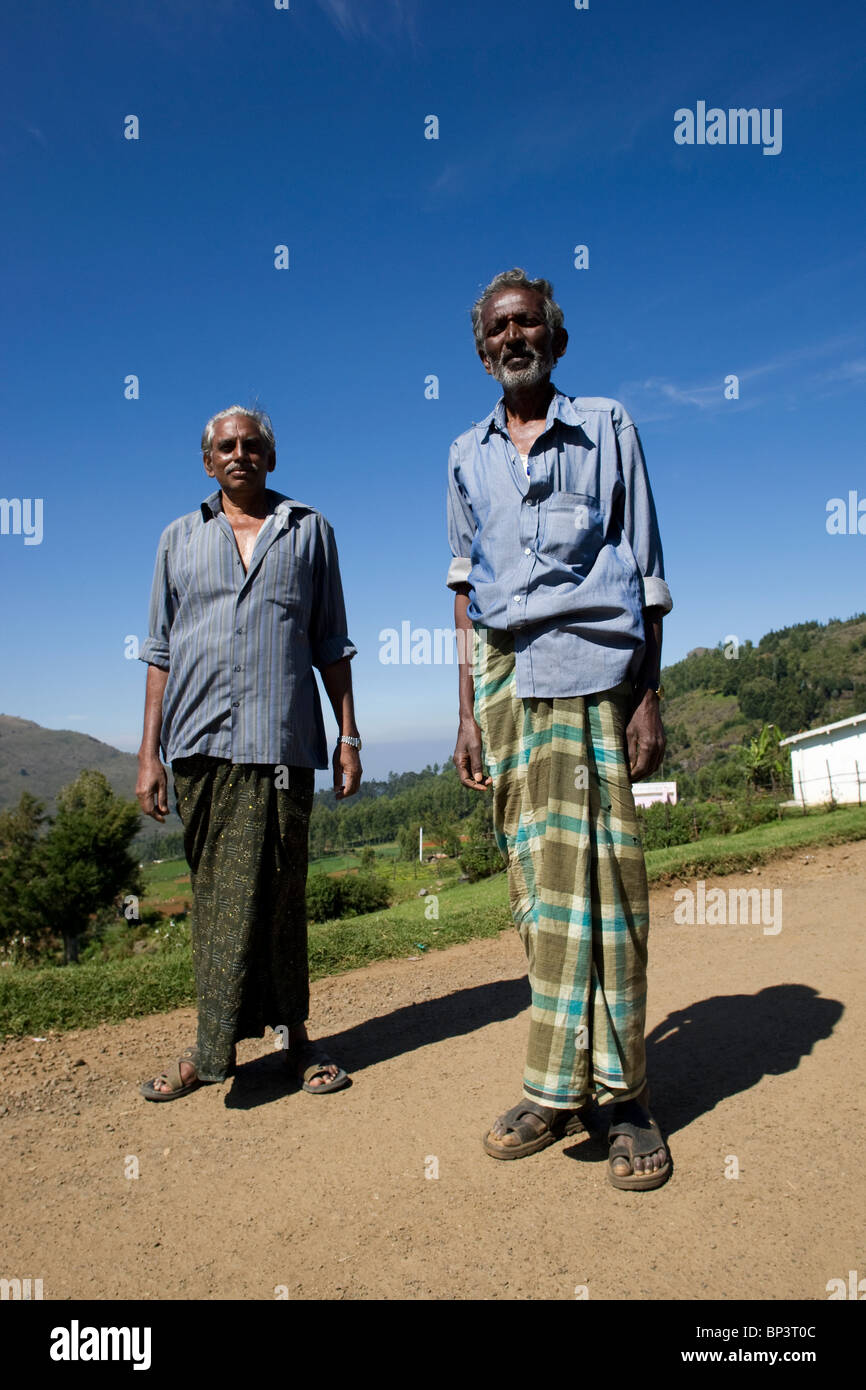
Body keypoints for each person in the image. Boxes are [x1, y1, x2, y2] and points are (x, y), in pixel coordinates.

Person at [447, 270, 673, 1189]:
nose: (514, 337)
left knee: (608, 891)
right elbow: (464, 587)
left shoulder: (609, 426)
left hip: (593, 671)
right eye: (498, 328)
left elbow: (646, 570)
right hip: (506, 682)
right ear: (482, 352)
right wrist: (466, 711)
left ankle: (627, 1098)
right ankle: (555, 1088)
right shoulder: (464, 454)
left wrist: (648, 695)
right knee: (538, 890)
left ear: (556, 337)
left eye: (528, 322)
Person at [136, 406, 362, 1100]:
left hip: (284, 743)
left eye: (252, 444)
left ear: (270, 456)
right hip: (198, 745)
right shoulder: (177, 539)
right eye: (227, 446)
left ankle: (295, 1039)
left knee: (283, 898)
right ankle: (211, 1047)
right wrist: (148, 754)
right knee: (215, 899)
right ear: (209, 462)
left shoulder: (309, 531)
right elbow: (159, 653)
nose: (240, 454)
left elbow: (332, 643)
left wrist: (349, 735)